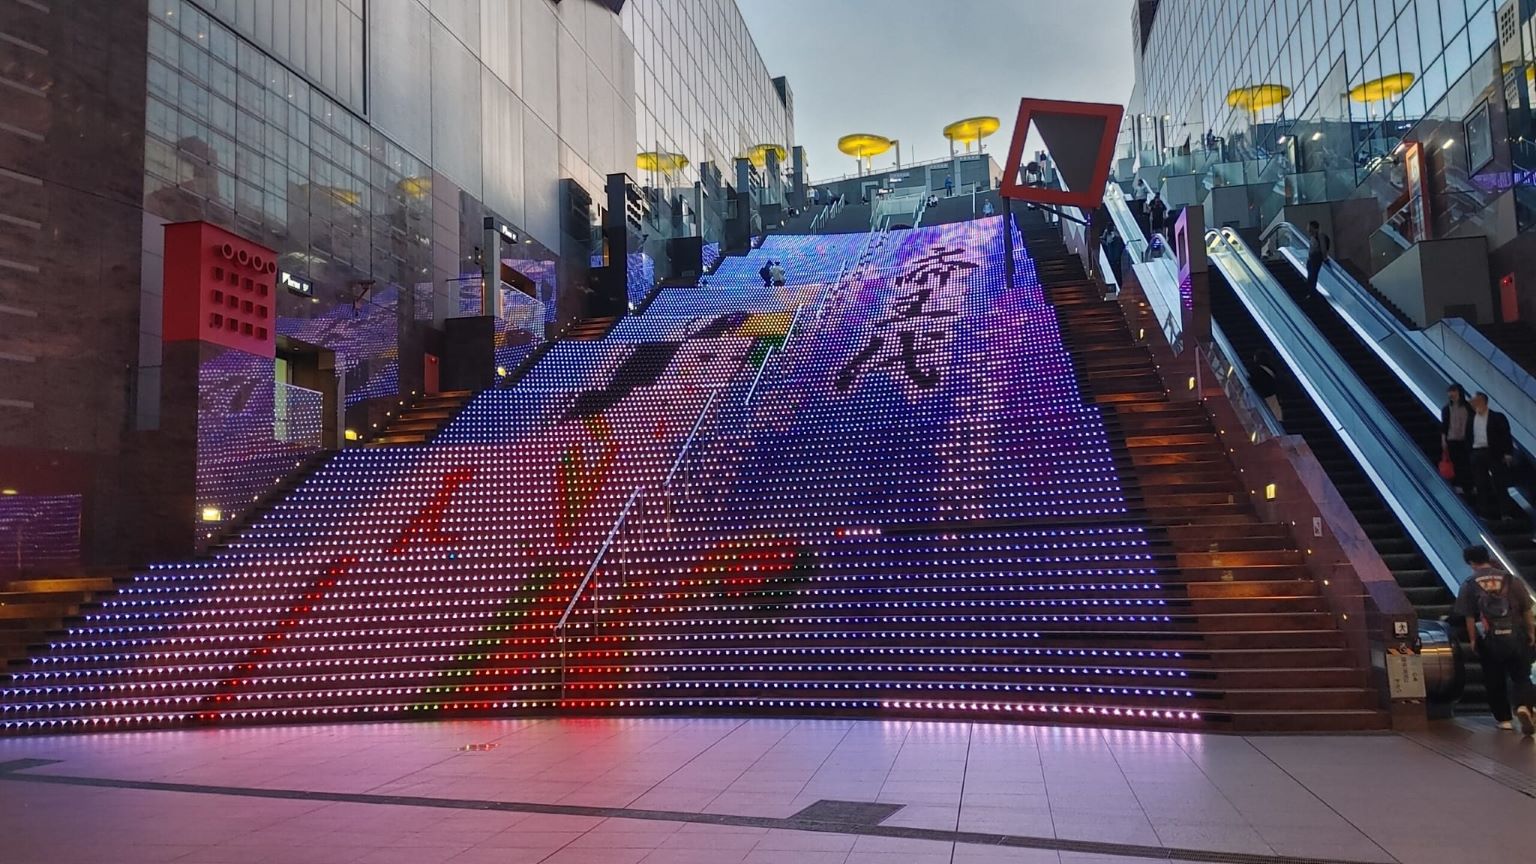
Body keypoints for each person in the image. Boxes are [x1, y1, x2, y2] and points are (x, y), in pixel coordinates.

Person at [1454, 545, 1536, 733]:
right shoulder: (1511, 580)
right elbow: (1525, 609)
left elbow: (1468, 616)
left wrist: (1473, 640)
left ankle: (1504, 719)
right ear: (1488, 557)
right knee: (1521, 676)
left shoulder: (1469, 583)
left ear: (1470, 562)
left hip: (1489, 639)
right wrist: (1531, 632)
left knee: (1494, 678)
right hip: (1516, 635)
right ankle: (1524, 706)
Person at [1469, 392, 1516, 520]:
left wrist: (1508, 453)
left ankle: (1505, 513)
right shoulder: (1471, 418)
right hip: (1477, 452)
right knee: (1480, 484)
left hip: (1494, 453)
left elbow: (1505, 436)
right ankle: (1484, 514)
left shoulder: (1497, 417)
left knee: (1500, 483)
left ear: (1483, 401)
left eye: (1475, 401)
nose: (1472, 403)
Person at [1441, 384, 1473, 493]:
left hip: (1466, 439)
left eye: (1454, 392)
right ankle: (1459, 485)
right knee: (1457, 463)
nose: (1451, 395)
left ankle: (1470, 486)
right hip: (1452, 440)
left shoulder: (1468, 407)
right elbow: (1444, 426)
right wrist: (1444, 439)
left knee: (1467, 463)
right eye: (1450, 393)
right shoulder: (1446, 409)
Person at [1249, 350, 1284, 423]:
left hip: (1265, 396)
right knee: (1275, 414)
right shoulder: (1272, 370)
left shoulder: (1256, 370)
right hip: (1273, 396)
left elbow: (1253, 381)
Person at [1304, 220, 1331, 299]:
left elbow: (1323, 248)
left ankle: (1312, 293)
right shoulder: (1312, 237)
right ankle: (1310, 292)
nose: (1308, 228)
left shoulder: (1320, 236)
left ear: (1313, 227)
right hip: (1311, 259)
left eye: (1309, 226)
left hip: (1316, 258)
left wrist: (1325, 258)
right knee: (1310, 276)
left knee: (1312, 275)